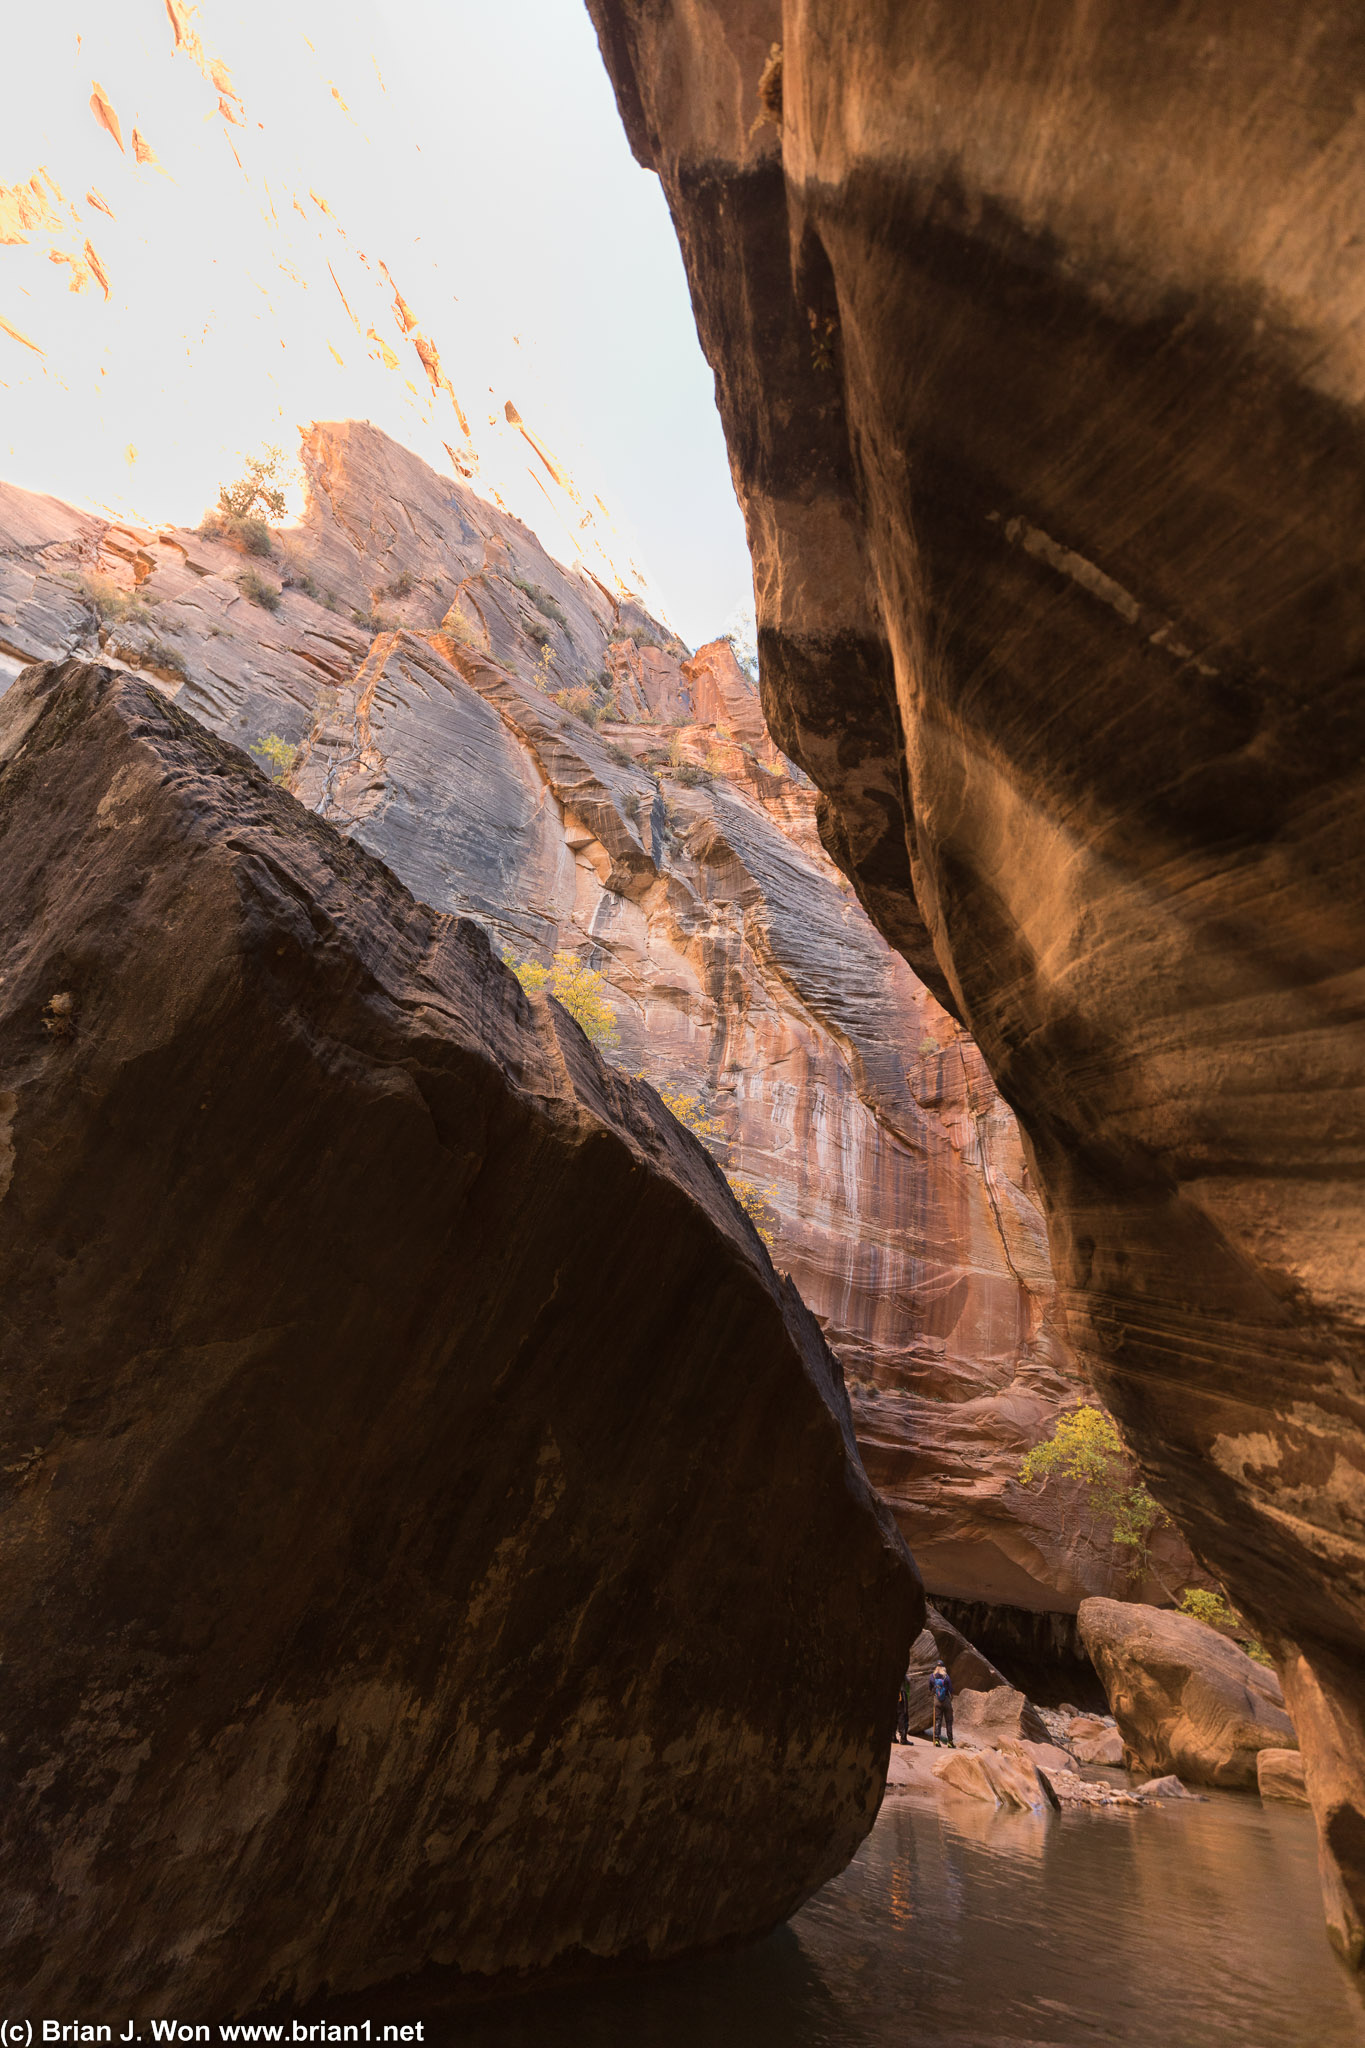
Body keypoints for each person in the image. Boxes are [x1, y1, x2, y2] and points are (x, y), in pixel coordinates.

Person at [930, 1661, 954, 1746]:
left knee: (938, 1720)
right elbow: (951, 1689)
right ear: (944, 1667)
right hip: (946, 1700)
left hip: (937, 1700)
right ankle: (950, 1742)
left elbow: (930, 1688)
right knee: (949, 1721)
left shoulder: (932, 1676)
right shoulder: (946, 1677)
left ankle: (936, 1740)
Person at [896, 1673, 912, 1745]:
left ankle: (893, 1737)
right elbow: (908, 1681)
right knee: (903, 1715)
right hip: (901, 1694)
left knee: (895, 1715)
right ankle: (903, 1739)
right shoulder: (900, 1668)